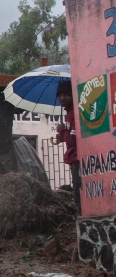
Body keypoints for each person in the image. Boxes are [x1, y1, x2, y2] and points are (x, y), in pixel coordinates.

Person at [56, 80, 80, 210]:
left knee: (79, 197)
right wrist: (63, 136)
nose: (62, 98)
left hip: (77, 159)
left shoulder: (74, 114)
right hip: (73, 160)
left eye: (66, 95)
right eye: (59, 95)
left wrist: (61, 130)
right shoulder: (69, 114)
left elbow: (73, 141)